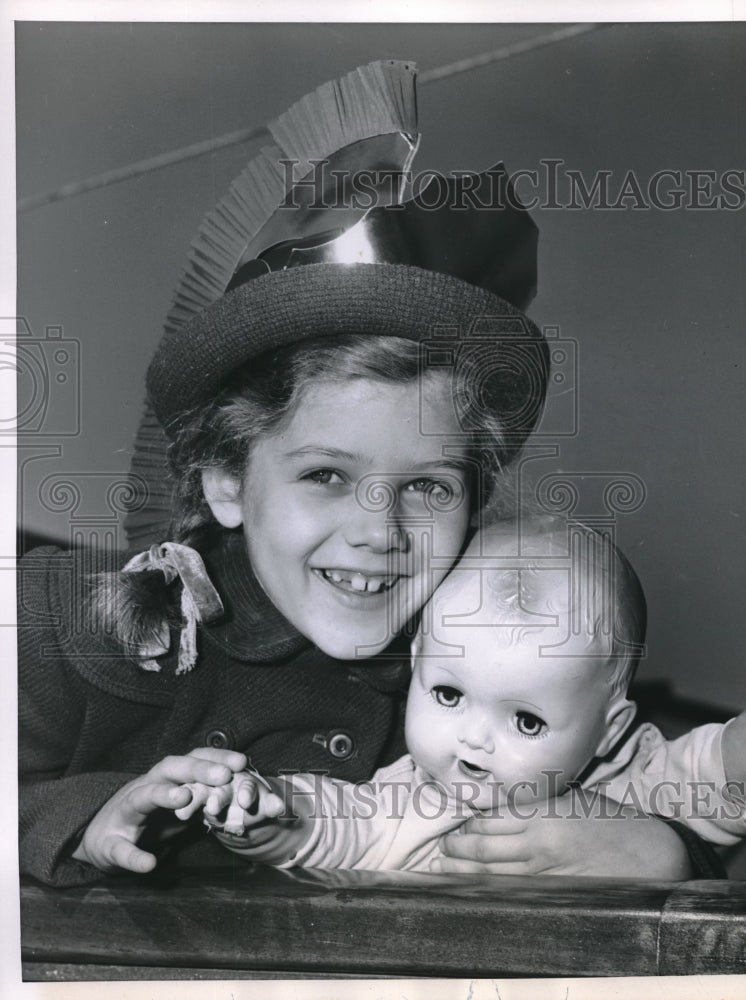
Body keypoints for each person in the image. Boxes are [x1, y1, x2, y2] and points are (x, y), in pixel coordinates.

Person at [17, 61, 710, 888]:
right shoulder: (62, 624)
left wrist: (663, 851)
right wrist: (86, 816)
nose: (379, 533)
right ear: (226, 481)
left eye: (426, 486)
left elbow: (661, 778)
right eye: (326, 477)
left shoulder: (484, 671)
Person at [193, 518, 746, 875]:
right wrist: (270, 814)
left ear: (608, 732)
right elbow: (339, 819)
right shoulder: (410, 797)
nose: (473, 739)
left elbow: (726, 777)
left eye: (527, 722)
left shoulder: (629, 780)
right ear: (416, 666)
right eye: (447, 693)